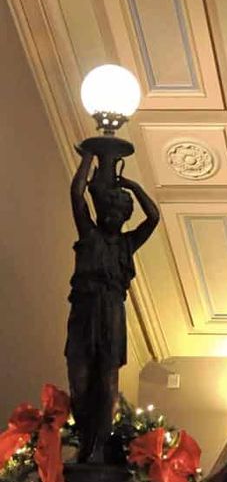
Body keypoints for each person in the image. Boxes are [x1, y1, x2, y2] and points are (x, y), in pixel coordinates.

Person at [65, 149, 159, 462]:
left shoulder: (127, 244)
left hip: (112, 314)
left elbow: (154, 217)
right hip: (84, 312)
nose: (113, 216)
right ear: (102, 211)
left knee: (108, 379)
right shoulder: (89, 234)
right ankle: (85, 440)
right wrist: (87, 158)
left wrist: (133, 186)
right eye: (109, 210)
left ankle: (99, 448)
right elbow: (76, 194)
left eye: (119, 213)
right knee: (79, 379)